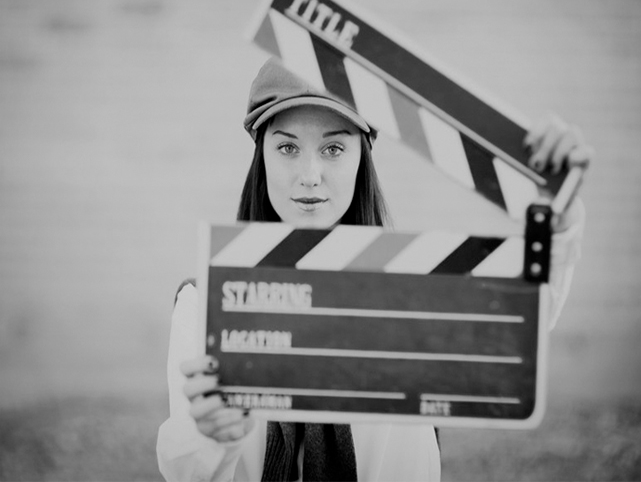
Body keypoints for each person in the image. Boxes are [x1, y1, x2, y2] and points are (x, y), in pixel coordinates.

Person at [157, 58, 592, 481]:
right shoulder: (203, 307)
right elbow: (185, 473)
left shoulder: (415, 294)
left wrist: (558, 211)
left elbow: (515, 326)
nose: (310, 174)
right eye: (287, 147)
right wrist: (211, 437)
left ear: (361, 158)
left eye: (333, 148)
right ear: (263, 157)